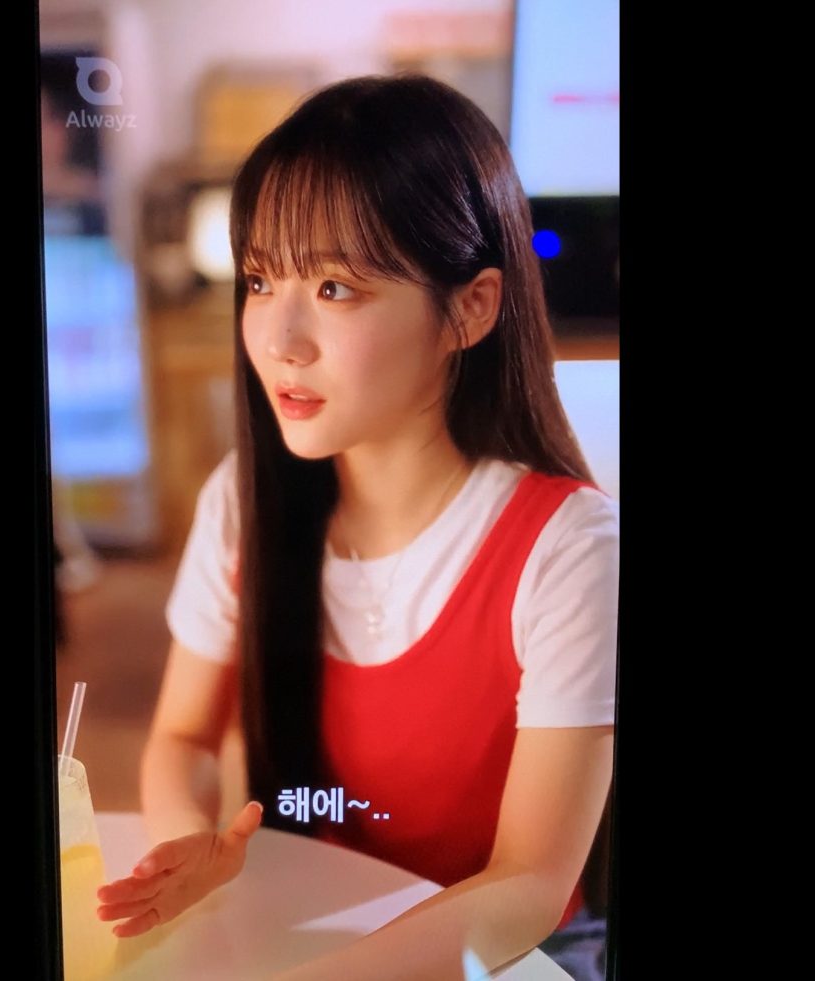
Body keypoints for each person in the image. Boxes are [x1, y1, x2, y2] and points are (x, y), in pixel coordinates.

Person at [96, 74, 618, 981]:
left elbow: (529, 882)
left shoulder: (570, 550)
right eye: (261, 279)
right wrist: (189, 845)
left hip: (512, 954)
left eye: (335, 287)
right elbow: (182, 736)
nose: (279, 339)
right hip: (308, 920)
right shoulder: (245, 503)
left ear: (471, 307)